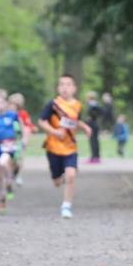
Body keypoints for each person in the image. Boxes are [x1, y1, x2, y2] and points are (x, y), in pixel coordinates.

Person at [38, 74, 92, 218]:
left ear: (74, 88)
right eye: (62, 85)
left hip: (70, 147)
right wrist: (55, 132)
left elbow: (75, 121)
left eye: (68, 85)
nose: (65, 88)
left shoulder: (78, 105)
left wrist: (85, 127)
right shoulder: (53, 104)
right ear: (58, 88)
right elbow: (42, 121)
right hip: (53, 147)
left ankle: (66, 206)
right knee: (57, 182)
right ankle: (59, 178)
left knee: (71, 175)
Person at [8, 92, 35, 185]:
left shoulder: (22, 114)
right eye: (10, 104)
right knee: (11, 159)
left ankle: (18, 175)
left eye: (14, 104)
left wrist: (25, 139)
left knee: (19, 159)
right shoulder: (7, 114)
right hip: (9, 140)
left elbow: (28, 126)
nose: (11, 106)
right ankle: (11, 174)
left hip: (20, 140)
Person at [84, 90, 102, 164]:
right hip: (94, 124)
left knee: (93, 141)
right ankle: (96, 157)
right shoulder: (95, 104)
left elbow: (94, 115)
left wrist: (89, 118)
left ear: (90, 98)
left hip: (92, 125)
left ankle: (94, 157)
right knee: (95, 141)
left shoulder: (93, 105)